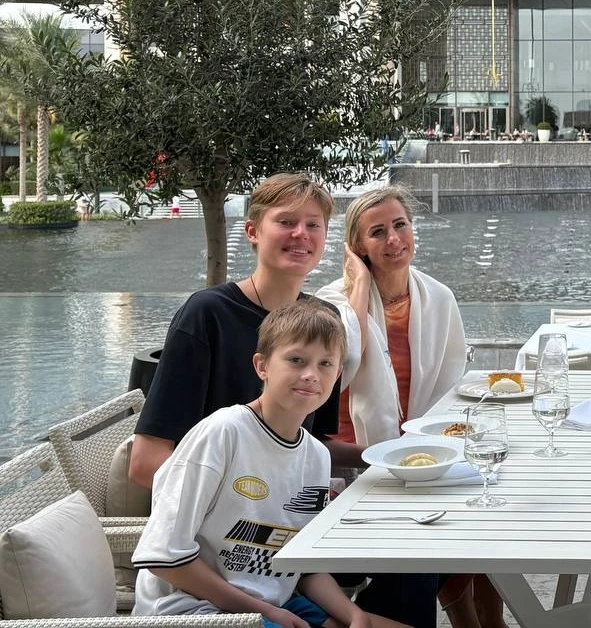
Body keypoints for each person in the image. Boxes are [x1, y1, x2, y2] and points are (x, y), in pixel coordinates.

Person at [132, 300, 407, 628]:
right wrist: (268, 612)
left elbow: (300, 562)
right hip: (193, 610)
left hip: (275, 602)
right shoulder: (224, 433)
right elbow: (164, 558)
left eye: (325, 364)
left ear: (337, 375)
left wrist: (353, 614)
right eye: (296, 360)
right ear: (262, 366)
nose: (310, 375)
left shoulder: (316, 457)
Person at [315, 187, 499, 628]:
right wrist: (359, 285)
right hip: (347, 462)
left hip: (420, 453)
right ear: (358, 248)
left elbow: (451, 388)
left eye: (400, 225)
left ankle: (481, 620)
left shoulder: (438, 298)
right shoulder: (332, 302)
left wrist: (437, 449)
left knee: (483, 514)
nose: (394, 238)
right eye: (377, 232)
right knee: (439, 536)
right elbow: (345, 358)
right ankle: (470, 619)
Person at [130, 172, 346, 490]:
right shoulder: (206, 315)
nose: (301, 234)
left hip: (283, 508)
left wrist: (386, 456)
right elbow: (146, 463)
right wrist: (256, 498)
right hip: (211, 521)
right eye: (286, 222)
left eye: (313, 224)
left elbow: (312, 443)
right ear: (252, 231)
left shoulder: (324, 319)